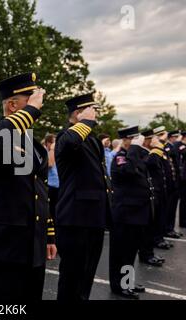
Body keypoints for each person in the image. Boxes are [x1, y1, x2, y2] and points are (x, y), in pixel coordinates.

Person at [0, 72, 56, 300]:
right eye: (29, 98)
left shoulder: (31, 141)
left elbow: (40, 190)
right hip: (5, 247)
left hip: (33, 246)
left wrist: (48, 235)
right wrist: (31, 110)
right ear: (12, 105)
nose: (36, 103)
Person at [54, 92, 111, 301]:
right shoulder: (65, 136)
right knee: (72, 279)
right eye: (92, 110)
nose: (95, 114)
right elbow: (69, 143)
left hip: (94, 218)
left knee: (86, 278)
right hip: (75, 219)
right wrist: (85, 122)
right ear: (79, 113)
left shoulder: (93, 141)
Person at [109, 125, 149, 299]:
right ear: (126, 140)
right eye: (133, 140)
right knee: (121, 252)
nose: (136, 143)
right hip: (125, 214)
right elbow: (129, 172)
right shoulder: (120, 158)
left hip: (136, 213)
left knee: (131, 251)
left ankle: (128, 281)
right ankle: (119, 285)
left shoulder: (134, 156)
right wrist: (133, 148)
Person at [137, 129, 165, 266]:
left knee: (152, 226)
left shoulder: (148, 153)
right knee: (147, 228)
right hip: (146, 196)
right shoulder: (142, 153)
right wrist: (157, 147)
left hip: (154, 193)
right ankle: (145, 254)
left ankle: (149, 252)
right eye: (153, 139)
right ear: (147, 140)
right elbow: (152, 163)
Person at [164, 130, 182, 238]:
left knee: (172, 208)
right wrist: (177, 144)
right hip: (170, 184)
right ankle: (168, 229)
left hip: (174, 182)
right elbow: (174, 153)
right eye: (175, 137)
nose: (176, 139)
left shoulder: (171, 146)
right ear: (171, 137)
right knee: (169, 208)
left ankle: (170, 228)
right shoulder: (168, 146)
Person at [43, 133, 59, 220]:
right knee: (51, 210)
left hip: (57, 185)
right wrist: (52, 150)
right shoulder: (46, 152)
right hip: (50, 185)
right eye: (54, 142)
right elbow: (50, 164)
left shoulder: (54, 152)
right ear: (48, 143)